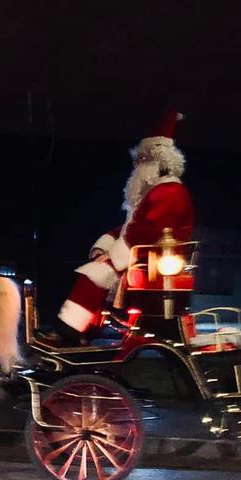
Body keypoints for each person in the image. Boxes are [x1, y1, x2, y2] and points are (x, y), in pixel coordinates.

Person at [37, 109, 194, 346]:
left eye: (143, 161)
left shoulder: (169, 191)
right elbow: (128, 228)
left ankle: (70, 332)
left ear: (157, 164)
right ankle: (82, 333)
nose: (138, 168)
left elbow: (148, 231)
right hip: (142, 255)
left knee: (94, 274)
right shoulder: (156, 192)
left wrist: (112, 257)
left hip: (154, 260)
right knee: (95, 268)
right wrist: (105, 246)